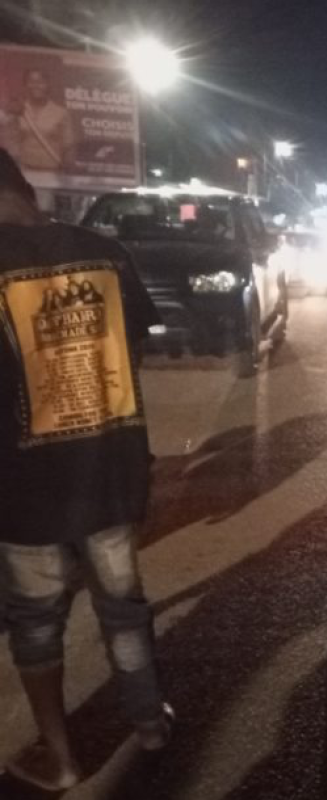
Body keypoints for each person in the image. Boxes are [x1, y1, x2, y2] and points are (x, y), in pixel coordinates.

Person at [0, 149, 170, 791]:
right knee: (123, 606)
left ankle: (62, 757)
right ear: (27, 187)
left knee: (37, 624)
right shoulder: (104, 252)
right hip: (111, 472)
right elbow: (136, 356)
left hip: (24, 491)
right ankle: (151, 724)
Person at [4, 70, 76, 172]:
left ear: (48, 84)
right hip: (24, 170)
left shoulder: (61, 113)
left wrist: (68, 170)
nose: (36, 86)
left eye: (41, 82)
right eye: (31, 82)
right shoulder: (17, 110)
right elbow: (10, 140)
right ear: (25, 85)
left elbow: (68, 145)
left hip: (52, 171)